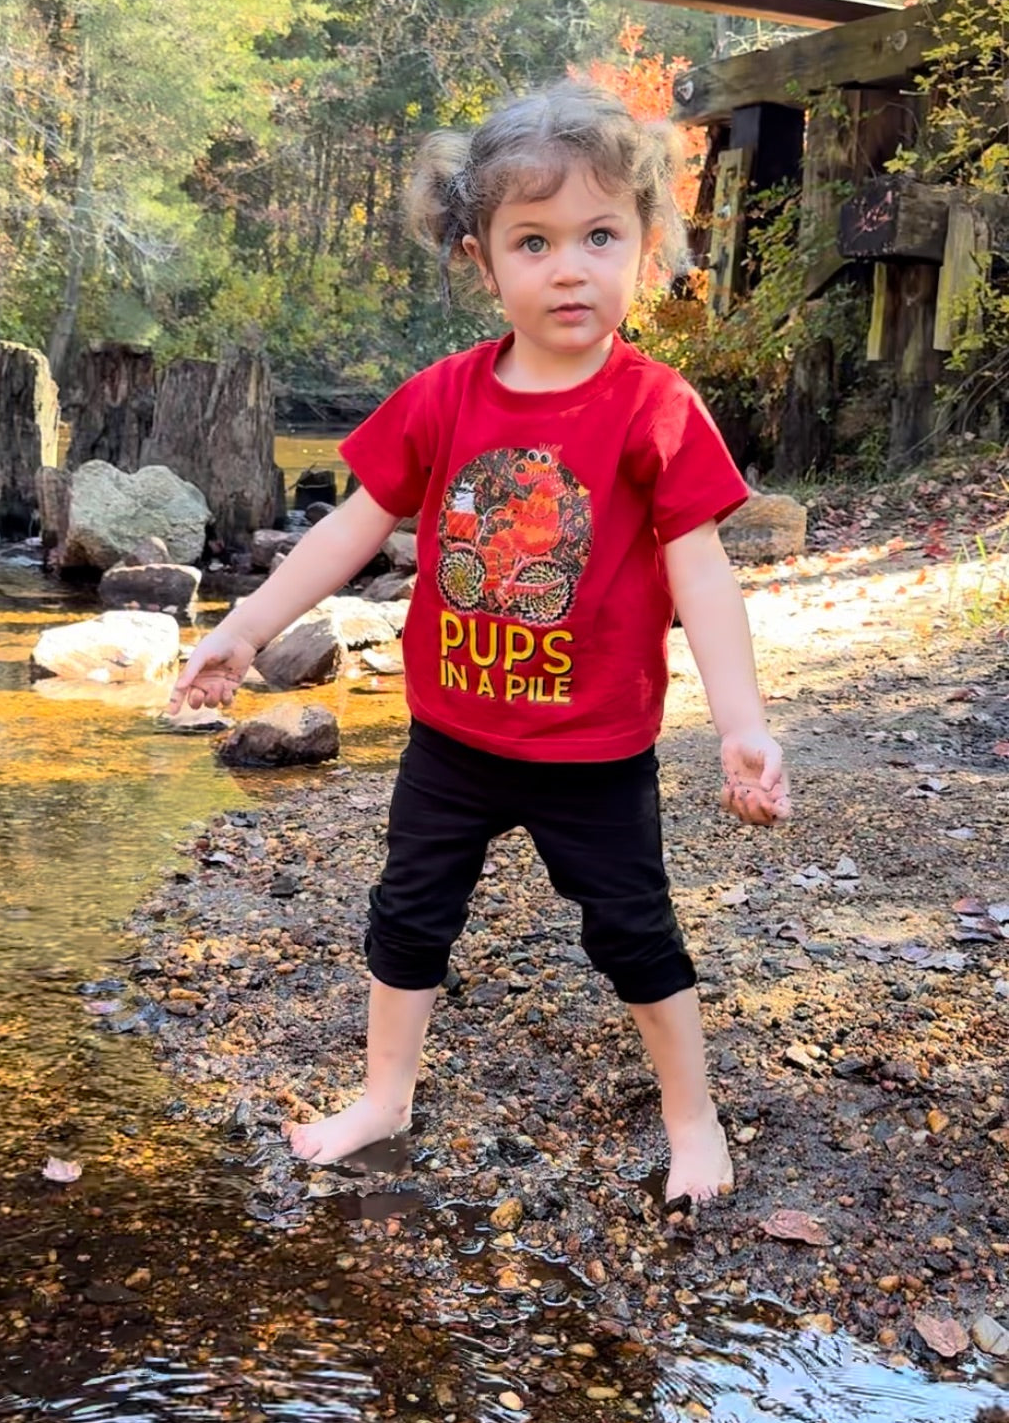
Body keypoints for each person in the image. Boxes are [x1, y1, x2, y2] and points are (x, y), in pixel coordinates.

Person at [167, 79, 791, 1206]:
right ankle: (384, 1096)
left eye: (601, 235)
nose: (569, 267)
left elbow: (701, 571)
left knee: (634, 933)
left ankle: (692, 1120)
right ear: (480, 258)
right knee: (407, 916)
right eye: (534, 241)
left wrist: (741, 724)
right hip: (452, 740)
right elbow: (351, 526)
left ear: (644, 245)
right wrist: (246, 628)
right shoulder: (442, 399)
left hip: (596, 751)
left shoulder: (654, 406)